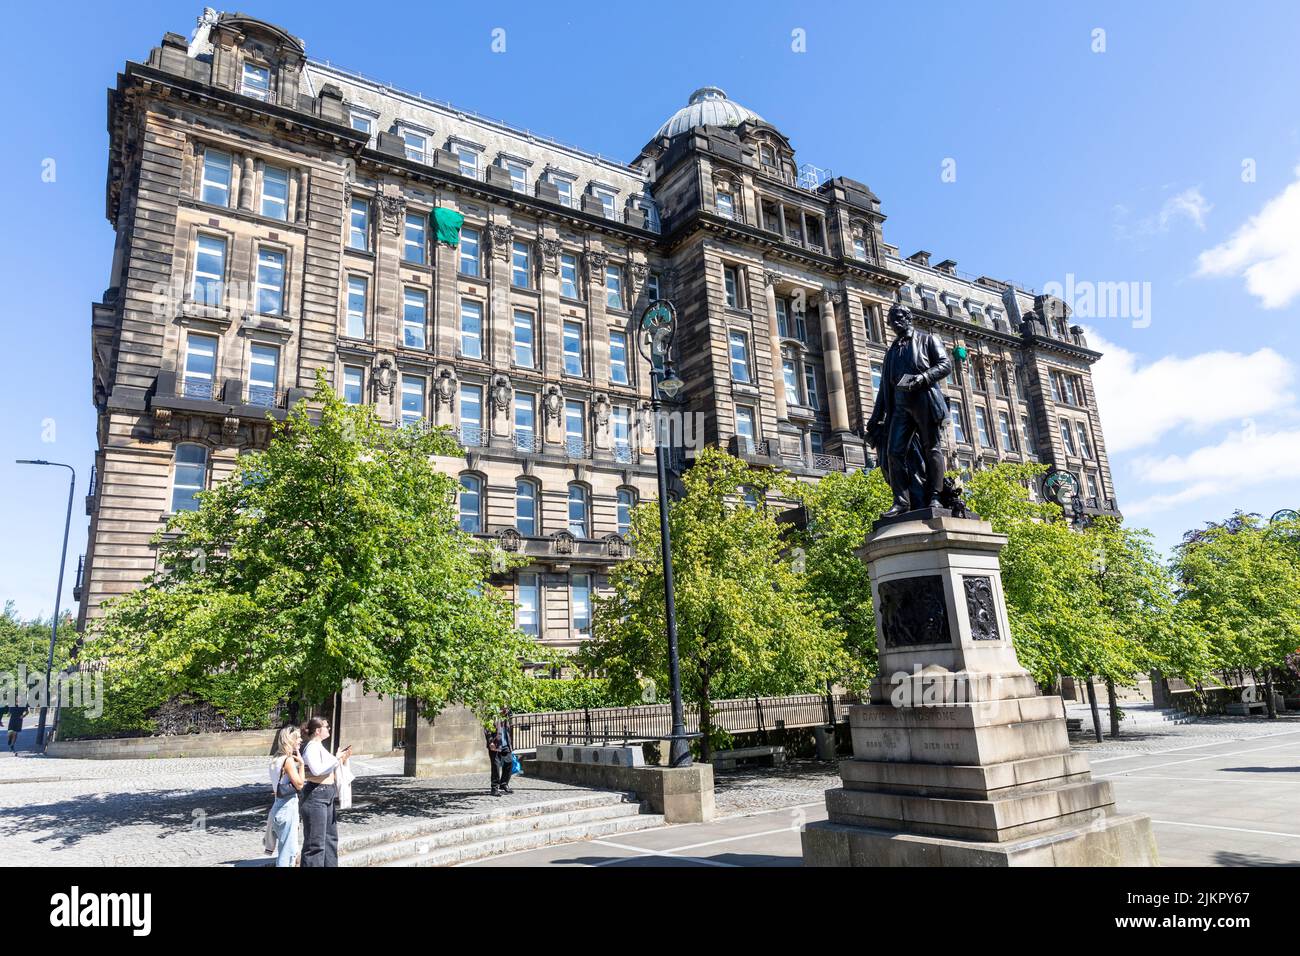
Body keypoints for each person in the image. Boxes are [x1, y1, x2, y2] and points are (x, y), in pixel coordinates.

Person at [865, 303, 953, 518]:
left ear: (908, 317)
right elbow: (883, 390)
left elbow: (945, 365)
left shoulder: (928, 339)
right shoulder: (891, 352)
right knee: (894, 452)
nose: (895, 323)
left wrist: (922, 378)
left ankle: (935, 495)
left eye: (898, 317)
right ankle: (901, 502)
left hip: (924, 399)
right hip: (900, 405)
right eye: (891, 320)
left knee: (932, 448)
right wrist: (875, 418)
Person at [298, 717, 350, 867]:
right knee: (315, 843)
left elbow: (329, 765)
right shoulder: (311, 747)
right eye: (327, 726)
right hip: (316, 794)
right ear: (318, 731)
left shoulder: (319, 746)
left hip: (326, 793)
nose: (329, 729)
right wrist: (336, 758)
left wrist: (340, 758)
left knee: (330, 839)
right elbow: (317, 769)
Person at [268, 725, 305, 867]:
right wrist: (301, 764)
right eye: (298, 737)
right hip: (287, 807)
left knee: (289, 849)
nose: (301, 740)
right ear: (291, 740)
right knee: (287, 854)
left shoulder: (276, 758)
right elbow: (300, 784)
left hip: (278, 805)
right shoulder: (288, 760)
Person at [487, 707, 514, 796]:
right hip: (495, 744)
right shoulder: (492, 714)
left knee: (509, 762)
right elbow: (487, 729)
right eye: (503, 708)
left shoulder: (507, 716)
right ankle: (494, 788)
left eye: (506, 708)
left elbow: (509, 729)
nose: (505, 709)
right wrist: (490, 741)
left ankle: (504, 784)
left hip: (505, 743)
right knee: (496, 766)